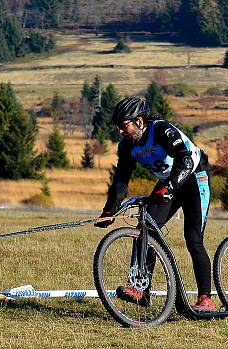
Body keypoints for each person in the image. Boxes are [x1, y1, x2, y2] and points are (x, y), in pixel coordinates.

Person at [94, 96, 215, 312]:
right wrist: (108, 211)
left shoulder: (161, 130)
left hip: (195, 178)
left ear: (139, 121)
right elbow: (121, 181)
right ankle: (142, 291)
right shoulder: (127, 147)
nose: (120, 132)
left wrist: (169, 187)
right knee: (146, 231)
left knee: (193, 239)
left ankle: (206, 299)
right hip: (170, 182)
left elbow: (186, 161)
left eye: (124, 126)